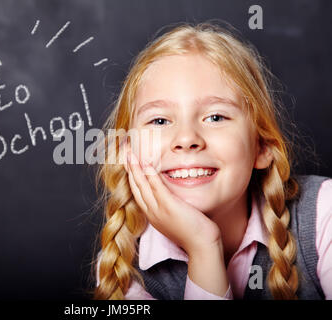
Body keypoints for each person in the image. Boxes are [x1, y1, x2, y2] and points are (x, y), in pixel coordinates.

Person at [91, 22, 332, 300]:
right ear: (127, 152)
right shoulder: (122, 267)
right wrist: (204, 249)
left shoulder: (322, 213)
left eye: (216, 117)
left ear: (262, 146)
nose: (186, 138)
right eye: (159, 120)